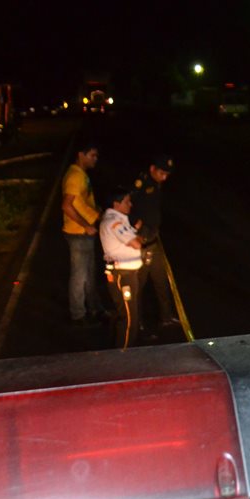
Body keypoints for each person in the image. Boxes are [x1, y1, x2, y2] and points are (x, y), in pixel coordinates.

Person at [132, 154, 179, 333]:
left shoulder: (157, 184)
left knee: (161, 280)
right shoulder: (141, 184)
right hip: (142, 243)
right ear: (152, 169)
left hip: (154, 239)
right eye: (161, 173)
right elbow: (128, 206)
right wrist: (136, 225)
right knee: (139, 284)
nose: (164, 178)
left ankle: (166, 317)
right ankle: (137, 322)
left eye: (167, 174)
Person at [62, 141, 104, 325]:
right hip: (77, 233)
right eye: (92, 155)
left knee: (89, 273)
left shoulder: (81, 174)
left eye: (96, 155)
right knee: (80, 276)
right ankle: (78, 314)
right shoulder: (75, 176)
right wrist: (86, 225)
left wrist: (95, 212)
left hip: (84, 233)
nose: (95, 159)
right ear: (81, 154)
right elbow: (66, 206)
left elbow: (80, 202)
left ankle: (94, 308)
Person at [100, 188, 145, 348]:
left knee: (125, 314)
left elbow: (134, 237)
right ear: (116, 204)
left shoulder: (118, 221)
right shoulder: (115, 223)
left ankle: (119, 349)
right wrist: (137, 236)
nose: (130, 204)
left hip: (125, 273)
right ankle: (123, 355)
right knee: (128, 318)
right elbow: (136, 243)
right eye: (126, 201)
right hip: (123, 275)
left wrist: (135, 233)